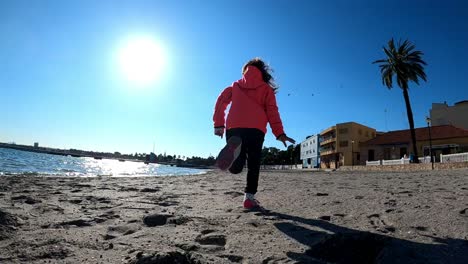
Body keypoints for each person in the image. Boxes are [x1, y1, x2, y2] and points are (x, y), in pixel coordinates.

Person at [212, 58, 295, 209]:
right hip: (256, 129)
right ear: (262, 72)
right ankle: (249, 198)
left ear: (245, 71)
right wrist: (279, 133)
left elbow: (221, 101)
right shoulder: (266, 89)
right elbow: (272, 112)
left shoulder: (235, 85)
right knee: (253, 164)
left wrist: (219, 124)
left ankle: (234, 162)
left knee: (237, 164)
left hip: (234, 127)